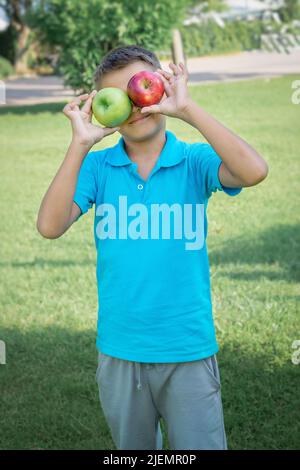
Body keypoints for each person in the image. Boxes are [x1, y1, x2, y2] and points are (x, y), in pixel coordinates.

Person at [36, 45, 268, 450]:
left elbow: (254, 170)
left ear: (160, 88)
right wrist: (80, 144)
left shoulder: (193, 161)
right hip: (120, 349)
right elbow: (50, 225)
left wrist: (189, 109)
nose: (135, 104)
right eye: (120, 99)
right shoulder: (98, 168)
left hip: (188, 346)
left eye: (142, 88)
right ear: (103, 107)